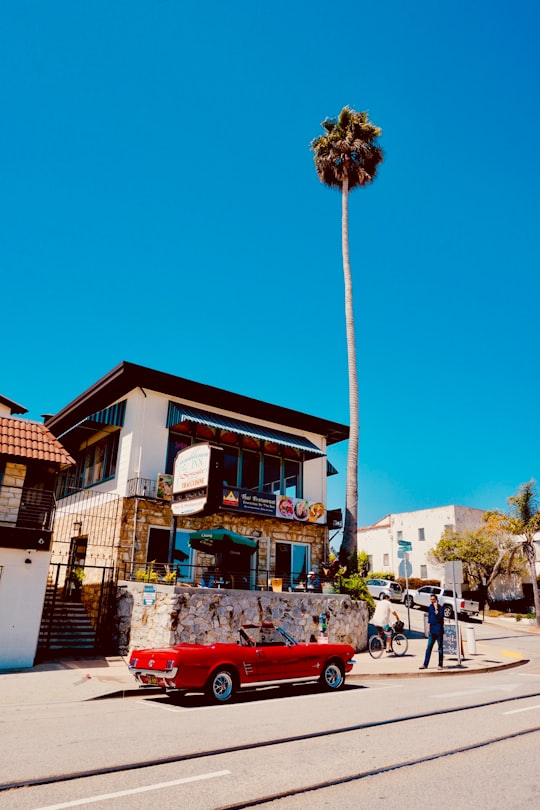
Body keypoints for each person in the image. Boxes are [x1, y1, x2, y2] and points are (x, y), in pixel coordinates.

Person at [420, 594, 444, 670]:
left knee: (440, 648)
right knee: (429, 647)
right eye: (431, 599)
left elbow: (440, 617)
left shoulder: (441, 608)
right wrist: (428, 628)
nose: (432, 601)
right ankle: (425, 664)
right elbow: (430, 618)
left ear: (436, 600)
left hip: (439, 630)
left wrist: (436, 608)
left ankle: (440, 664)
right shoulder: (430, 607)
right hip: (432, 631)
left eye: (433, 599)